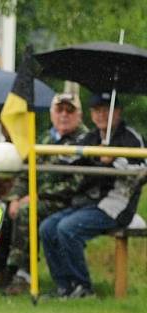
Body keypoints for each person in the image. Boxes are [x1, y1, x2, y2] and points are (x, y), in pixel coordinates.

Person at [40, 92, 145, 299]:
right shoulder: (91, 137)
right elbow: (69, 158)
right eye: (97, 111)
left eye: (106, 110)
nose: (101, 115)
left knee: (67, 229)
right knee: (47, 228)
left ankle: (83, 287)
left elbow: (141, 168)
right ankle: (64, 287)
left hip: (116, 205)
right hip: (87, 203)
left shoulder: (131, 137)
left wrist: (113, 158)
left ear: (118, 112)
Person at [0, 93, 88, 296]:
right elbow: (25, 174)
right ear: (52, 114)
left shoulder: (84, 140)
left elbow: (77, 183)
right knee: (1, 210)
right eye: (60, 110)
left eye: (70, 110)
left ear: (79, 115)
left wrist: (38, 196)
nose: (64, 115)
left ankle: (24, 274)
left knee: (26, 211)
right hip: (35, 198)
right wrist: (14, 196)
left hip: (68, 203)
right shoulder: (45, 138)